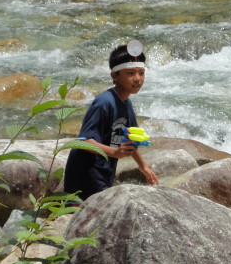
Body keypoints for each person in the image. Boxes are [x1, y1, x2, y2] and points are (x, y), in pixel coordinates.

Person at [64, 41, 159, 200]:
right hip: (86, 173)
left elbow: (130, 139)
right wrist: (115, 152)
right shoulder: (104, 102)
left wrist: (143, 166)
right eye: (130, 73)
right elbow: (84, 141)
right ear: (115, 76)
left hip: (103, 172)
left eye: (141, 73)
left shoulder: (126, 104)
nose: (137, 79)